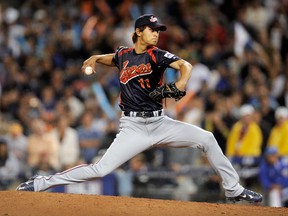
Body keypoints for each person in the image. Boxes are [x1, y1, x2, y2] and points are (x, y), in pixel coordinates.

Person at [16, 14, 262, 203]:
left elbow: (185, 65)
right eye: (151, 30)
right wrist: (94, 58)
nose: (156, 33)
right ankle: (41, 183)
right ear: (138, 32)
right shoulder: (123, 55)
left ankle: (234, 190)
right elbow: (110, 58)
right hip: (132, 127)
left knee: (207, 138)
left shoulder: (157, 55)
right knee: (100, 169)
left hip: (160, 123)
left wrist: (181, 82)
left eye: (157, 30)